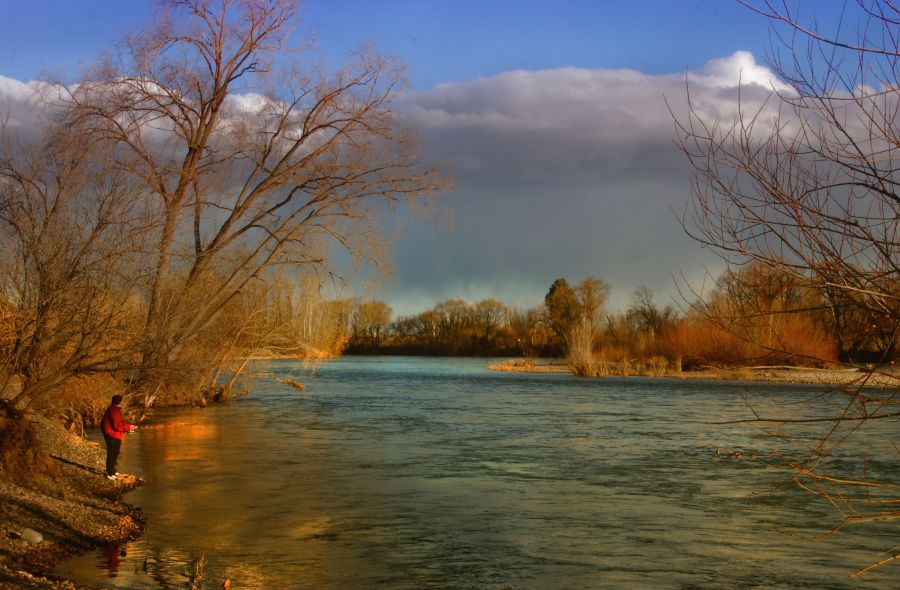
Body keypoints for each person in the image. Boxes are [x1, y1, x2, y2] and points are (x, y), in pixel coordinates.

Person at [101, 395, 136, 480]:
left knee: (115, 453)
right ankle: (109, 473)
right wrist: (129, 427)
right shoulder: (114, 411)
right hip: (112, 435)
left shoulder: (113, 409)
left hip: (113, 434)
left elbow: (117, 425)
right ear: (120, 402)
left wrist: (127, 430)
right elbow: (117, 426)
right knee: (112, 454)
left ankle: (112, 470)